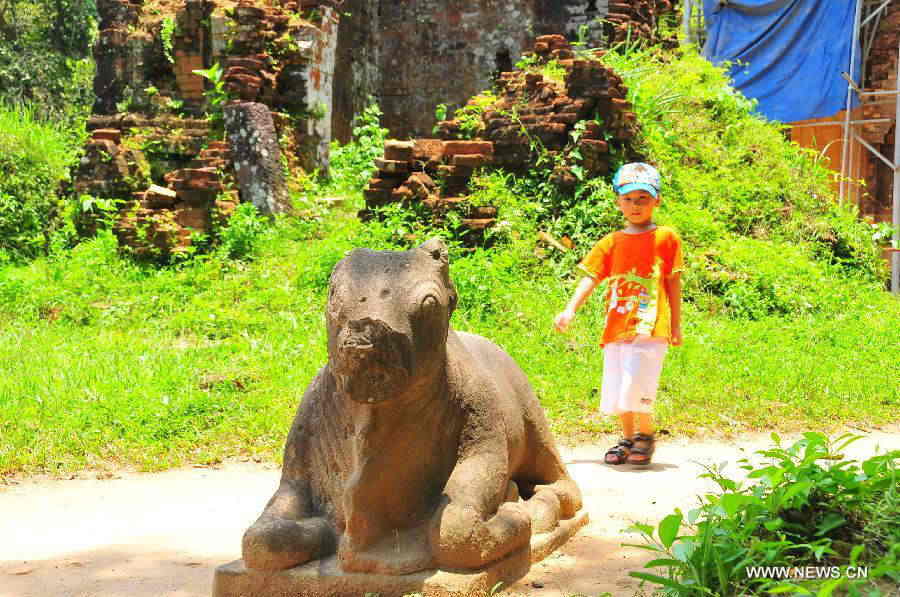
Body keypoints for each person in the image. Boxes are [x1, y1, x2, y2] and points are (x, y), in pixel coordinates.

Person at [554, 162, 682, 466]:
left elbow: (673, 282)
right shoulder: (611, 242)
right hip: (616, 326)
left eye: (642, 198)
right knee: (617, 387)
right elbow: (592, 276)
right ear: (617, 201)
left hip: (651, 328)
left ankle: (646, 437)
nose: (635, 206)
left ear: (656, 200)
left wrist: (676, 324)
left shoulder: (666, 238)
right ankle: (627, 438)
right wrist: (570, 309)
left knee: (639, 384)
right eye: (628, 198)